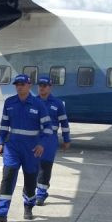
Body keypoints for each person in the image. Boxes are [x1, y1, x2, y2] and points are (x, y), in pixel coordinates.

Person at [0, 74, 53, 222]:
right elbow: (4, 125)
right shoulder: (10, 103)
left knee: (30, 182)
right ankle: (1, 212)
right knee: (8, 177)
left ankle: (28, 205)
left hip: (31, 150)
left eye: (22, 84)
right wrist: (2, 142)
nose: (19, 86)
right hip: (13, 147)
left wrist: (42, 144)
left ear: (29, 85)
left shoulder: (38, 104)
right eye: (17, 84)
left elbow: (48, 128)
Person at [33, 77, 70, 206]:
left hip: (50, 139)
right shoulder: (33, 101)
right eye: (40, 85)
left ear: (50, 87)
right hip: (35, 138)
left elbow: (64, 122)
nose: (42, 87)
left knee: (45, 166)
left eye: (44, 85)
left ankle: (41, 194)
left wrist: (66, 139)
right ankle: (35, 189)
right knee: (34, 165)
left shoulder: (57, 104)